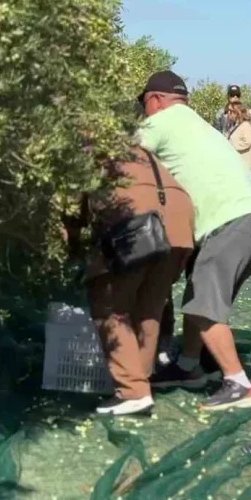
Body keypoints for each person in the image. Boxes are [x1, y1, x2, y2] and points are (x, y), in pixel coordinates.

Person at [136, 70, 251, 411]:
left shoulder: (161, 121)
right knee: (200, 293)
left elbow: (124, 159)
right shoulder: (199, 124)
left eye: (144, 105)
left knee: (203, 301)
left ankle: (238, 383)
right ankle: (189, 366)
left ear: (154, 100)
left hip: (231, 221)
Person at [61, 145, 194, 416]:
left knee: (108, 304)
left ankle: (132, 390)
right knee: (150, 306)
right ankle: (141, 381)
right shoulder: (139, 149)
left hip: (138, 221)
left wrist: (72, 246)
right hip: (180, 221)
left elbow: (72, 209)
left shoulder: (87, 149)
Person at [225, 101, 251, 173]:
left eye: (230, 111)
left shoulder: (246, 125)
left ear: (237, 112)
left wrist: (230, 146)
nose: (228, 114)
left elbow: (247, 142)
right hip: (238, 164)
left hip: (245, 166)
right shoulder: (235, 125)